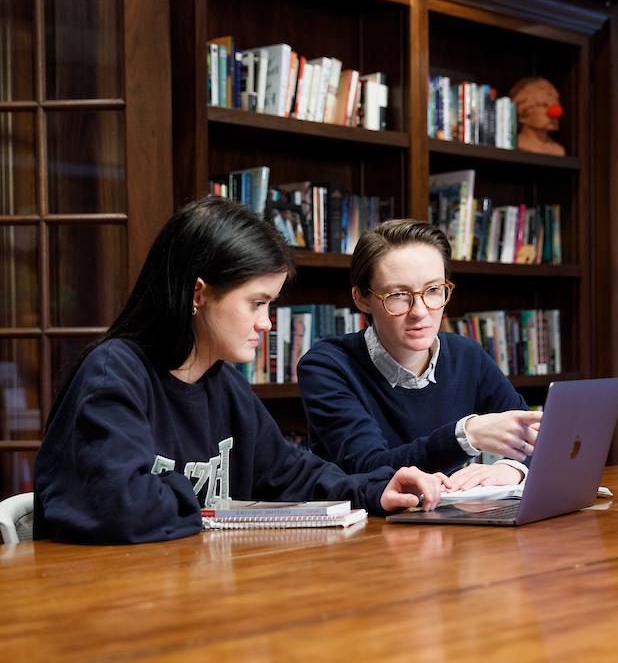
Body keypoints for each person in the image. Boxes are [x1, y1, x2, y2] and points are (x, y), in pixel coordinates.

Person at [33, 199, 446, 544]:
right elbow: (121, 507)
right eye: (256, 303)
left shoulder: (222, 381)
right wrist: (211, 506)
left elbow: (293, 474)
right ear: (199, 293)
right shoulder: (115, 372)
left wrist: (376, 489)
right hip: (100, 607)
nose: (266, 323)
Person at [297, 219, 543, 490]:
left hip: (452, 523)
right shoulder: (327, 366)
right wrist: (465, 436)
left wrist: (511, 470)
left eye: (434, 290)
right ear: (361, 298)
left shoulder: (467, 355)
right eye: (399, 295)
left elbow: (539, 438)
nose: (420, 311)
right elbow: (370, 469)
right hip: (364, 528)